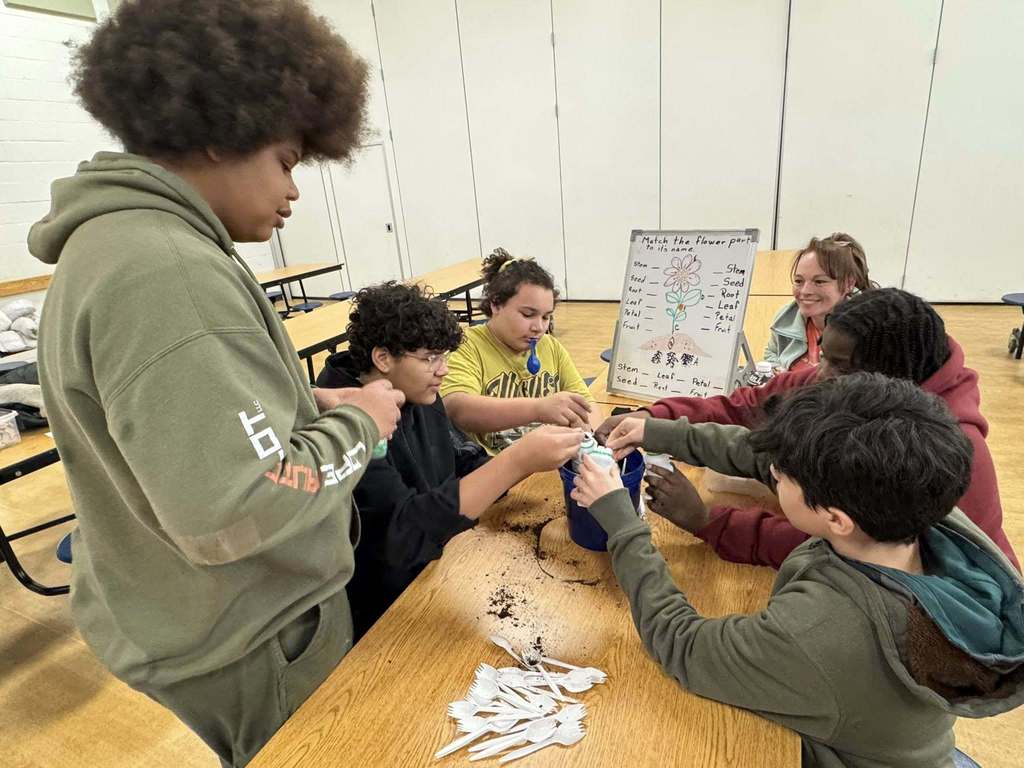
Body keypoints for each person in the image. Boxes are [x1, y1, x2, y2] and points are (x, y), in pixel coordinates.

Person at [28, 2, 403, 765]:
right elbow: (235, 508)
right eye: (289, 160)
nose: (295, 192)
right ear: (220, 128)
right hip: (248, 633)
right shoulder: (170, 273)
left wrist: (301, 404)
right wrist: (360, 425)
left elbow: (177, 429)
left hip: (179, 606)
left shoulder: (120, 243)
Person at [576, 373, 1024, 767]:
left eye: (783, 476)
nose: (771, 472)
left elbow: (683, 646)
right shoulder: (920, 505)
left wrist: (621, 522)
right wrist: (661, 432)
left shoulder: (821, 632)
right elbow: (776, 459)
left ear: (835, 518)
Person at [595, 288, 1019, 571]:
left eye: (842, 366)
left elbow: (851, 553)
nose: (821, 375)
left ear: (890, 375)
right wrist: (654, 416)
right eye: (826, 357)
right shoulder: (838, 383)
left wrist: (711, 521)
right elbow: (749, 406)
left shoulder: (941, 452)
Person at [316, 283, 583, 637]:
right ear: (383, 358)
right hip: (387, 610)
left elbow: (462, 459)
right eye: (430, 358)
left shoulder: (418, 392)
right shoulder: (345, 424)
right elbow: (402, 534)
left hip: (442, 565)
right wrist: (517, 461)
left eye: (444, 357)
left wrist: (530, 464)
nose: (443, 371)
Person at [441, 247, 597, 455]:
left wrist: (590, 434)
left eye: (545, 317)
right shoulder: (467, 346)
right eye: (527, 314)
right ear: (496, 304)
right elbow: (456, 407)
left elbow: (586, 403)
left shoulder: (550, 346)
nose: (539, 327)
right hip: (498, 471)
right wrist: (538, 409)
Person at [765, 232, 873, 372]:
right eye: (799, 281)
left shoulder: (867, 330)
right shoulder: (785, 319)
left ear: (848, 283)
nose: (805, 291)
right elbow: (771, 355)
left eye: (819, 281)